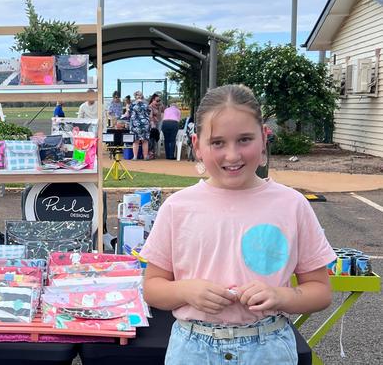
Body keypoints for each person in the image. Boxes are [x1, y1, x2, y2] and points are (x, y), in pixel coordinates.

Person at [139, 84, 335, 364]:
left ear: (264, 138)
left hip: (269, 347)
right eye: (218, 142)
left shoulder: (292, 205)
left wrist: (280, 296)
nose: (232, 155)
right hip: (192, 348)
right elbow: (152, 287)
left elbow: (320, 290)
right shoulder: (177, 207)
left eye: (244, 140)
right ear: (197, 146)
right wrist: (185, 291)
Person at [129, 90, 150, 160]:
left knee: (140, 141)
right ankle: (140, 156)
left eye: (139, 95)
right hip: (140, 124)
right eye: (138, 95)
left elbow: (129, 113)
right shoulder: (145, 104)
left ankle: (141, 156)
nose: (139, 96)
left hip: (139, 124)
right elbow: (149, 113)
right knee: (139, 140)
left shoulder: (133, 104)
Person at [147, 93, 164, 159]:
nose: (158, 102)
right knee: (152, 138)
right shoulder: (150, 106)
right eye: (157, 101)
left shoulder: (160, 106)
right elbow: (150, 117)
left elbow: (162, 114)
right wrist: (152, 123)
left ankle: (154, 152)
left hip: (158, 123)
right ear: (153, 100)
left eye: (159, 100)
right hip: (152, 124)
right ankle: (150, 152)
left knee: (156, 138)